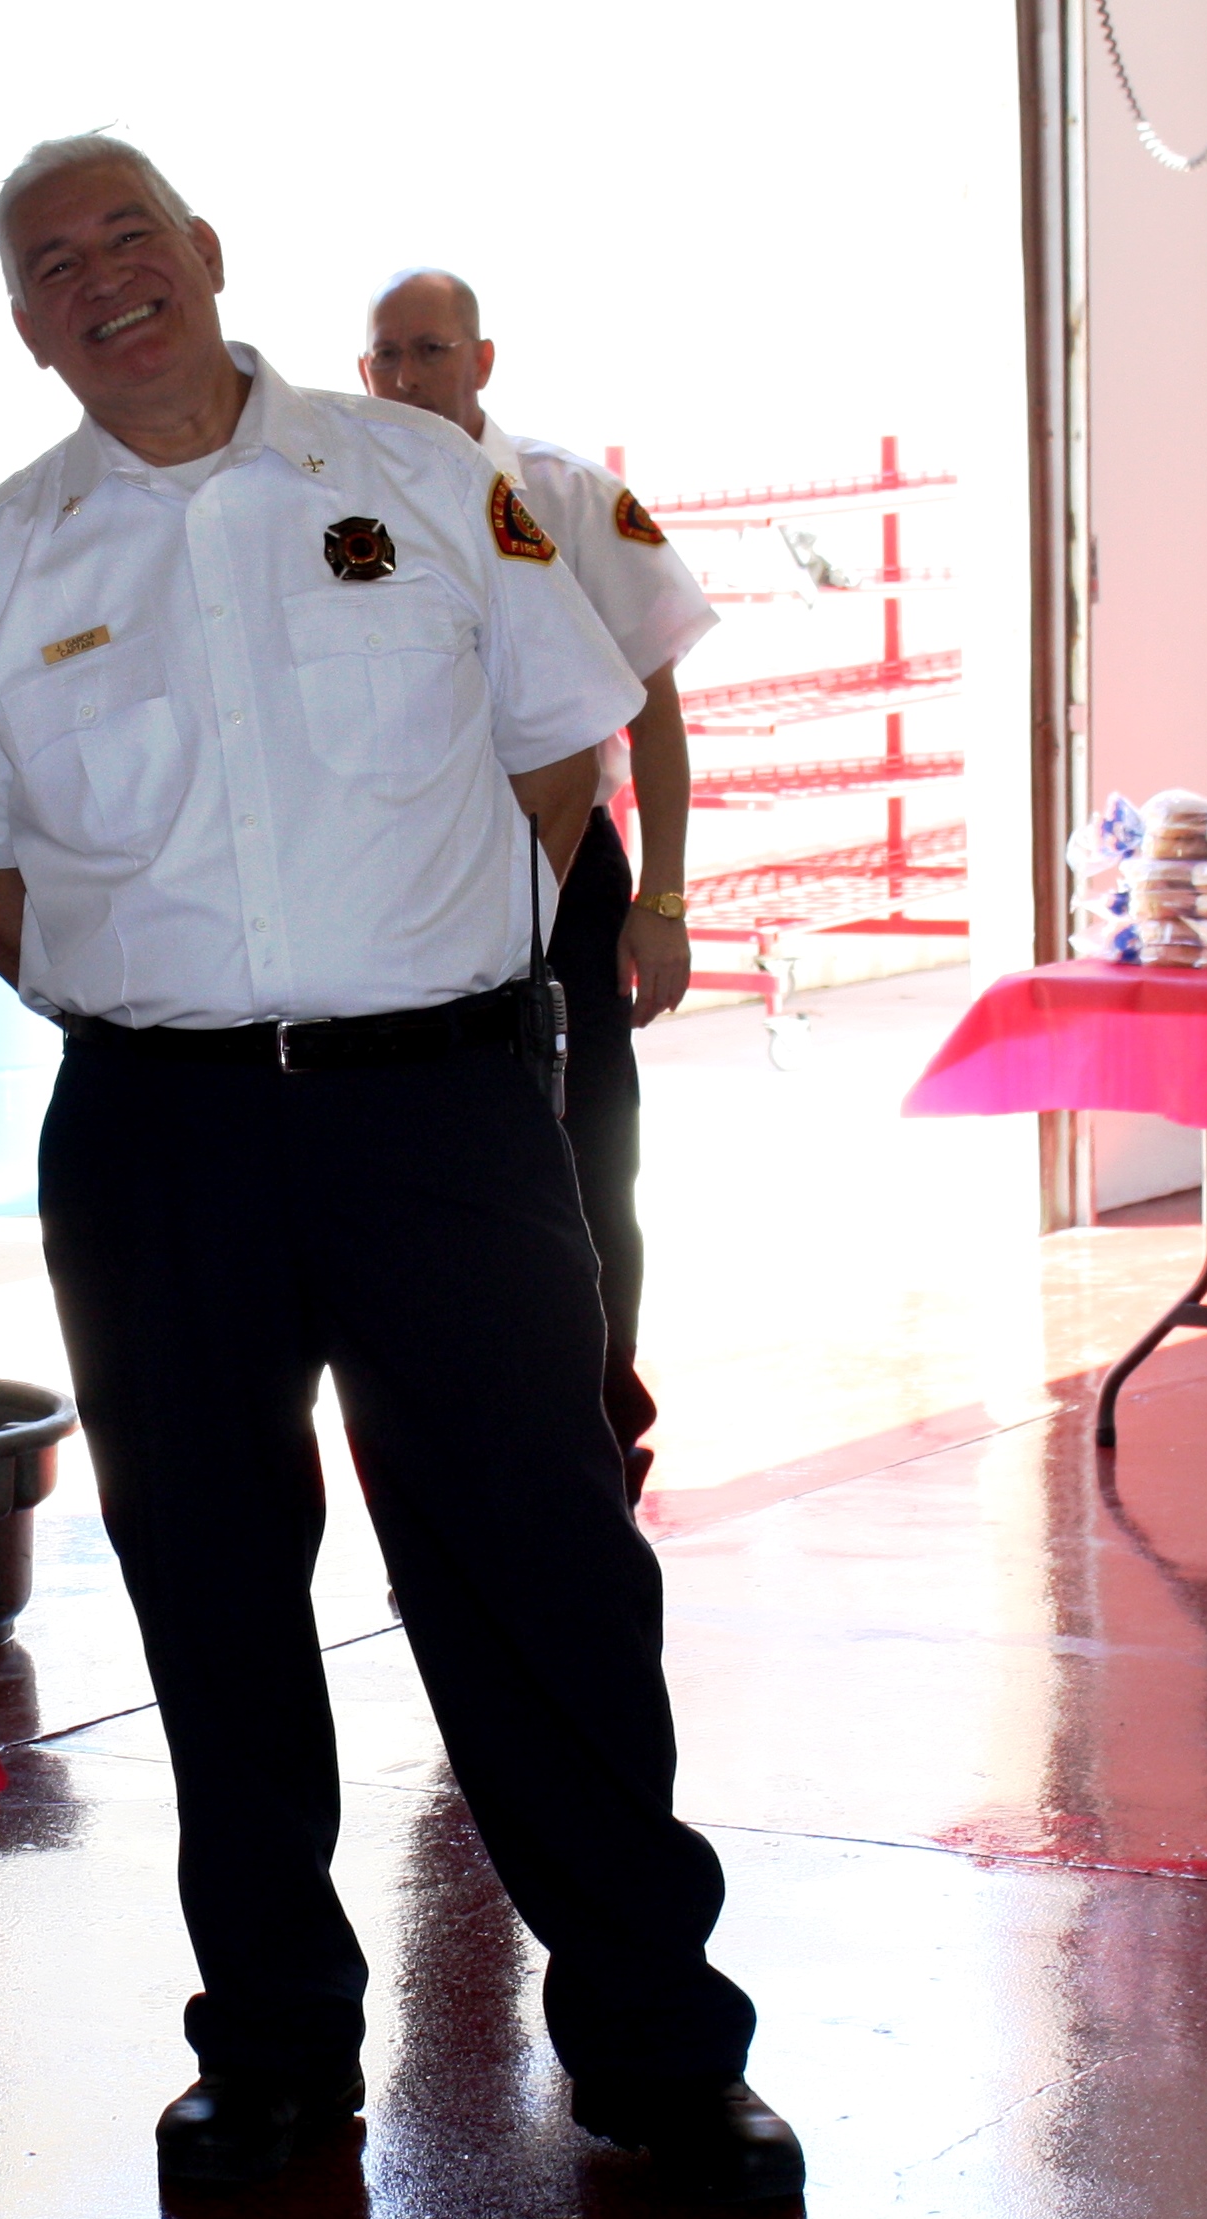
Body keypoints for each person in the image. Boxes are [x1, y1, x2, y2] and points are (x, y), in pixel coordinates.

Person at [0, 136, 799, 2202]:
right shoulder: (2, 561)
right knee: (207, 1581)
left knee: (540, 1562)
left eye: (132, 236)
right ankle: (274, 2040)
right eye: (51, 264)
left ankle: (658, 2041)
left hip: (439, 1112)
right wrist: (175, 1005)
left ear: (209, 255)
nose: (101, 279)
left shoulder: (416, 481)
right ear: (22, 321)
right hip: (159, 1131)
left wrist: (429, 956)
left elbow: (562, 742)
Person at [362, 269, 717, 1503]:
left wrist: (659, 902)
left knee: (587, 1159)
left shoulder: (565, 497)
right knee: (438, 1168)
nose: (408, 378)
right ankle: (460, 1450)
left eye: (432, 351)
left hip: (568, 876)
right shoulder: (341, 504)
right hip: (415, 879)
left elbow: (655, 718)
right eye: (388, 357)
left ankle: (598, 1429)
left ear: (483, 359)